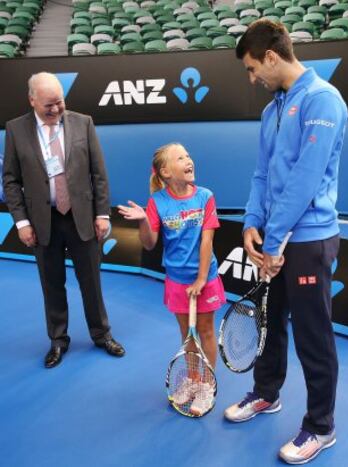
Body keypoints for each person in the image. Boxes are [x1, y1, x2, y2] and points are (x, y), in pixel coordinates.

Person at [223, 19, 348, 465]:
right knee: (269, 322)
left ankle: (321, 426)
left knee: (314, 336)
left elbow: (305, 180)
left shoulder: (323, 100)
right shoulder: (271, 110)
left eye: (254, 68)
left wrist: (273, 243)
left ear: (272, 57)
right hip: (273, 238)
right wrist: (252, 225)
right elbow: (263, 173)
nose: (253, 78)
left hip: (309, 240)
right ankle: (266, 393)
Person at [3, 72, 125, 368]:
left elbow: (99, 173)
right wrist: (21, 222)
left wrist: (101, 213)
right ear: (32, 100)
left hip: (81, 217)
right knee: (52, 284)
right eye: (48, 105)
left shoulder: (83, 123)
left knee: (91, 283)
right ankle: (58, 340)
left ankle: (101, 334)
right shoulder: (15, 129)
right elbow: (10, 180)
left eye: (59, 102)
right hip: (41, 222)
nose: (55, 109)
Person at [118, 142, 226, 416]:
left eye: (188, 155)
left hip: (205, 278)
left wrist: (201, 278)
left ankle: (206, 385)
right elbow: (150, 243)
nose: (189, 160)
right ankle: (192, 380)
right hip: (177, 281)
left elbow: (207, 240)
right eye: (180, 158)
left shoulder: (205, 196)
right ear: (165, 172)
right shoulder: (157, 202)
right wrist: (144, 220)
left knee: (206, 330)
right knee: (186, 333)